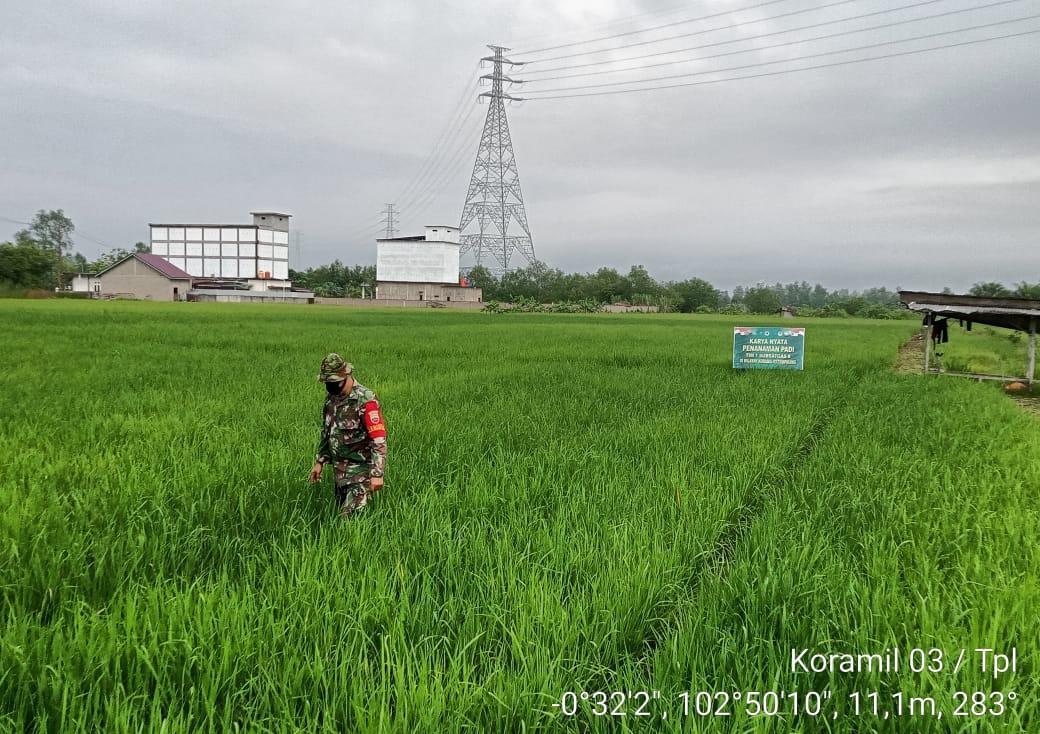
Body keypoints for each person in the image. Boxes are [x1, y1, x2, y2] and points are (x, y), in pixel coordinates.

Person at [308, 353, 387, 517]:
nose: (331, 386)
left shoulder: (365, 400)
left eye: (334, 382)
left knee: (349, 523)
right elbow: (327, 431)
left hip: (360, 474)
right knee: (340, 517)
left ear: (347, 375)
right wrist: (320, 461)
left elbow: (378, 439)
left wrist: (377, 474)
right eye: (328, 382)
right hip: (340, 474)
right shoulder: (331, 400)